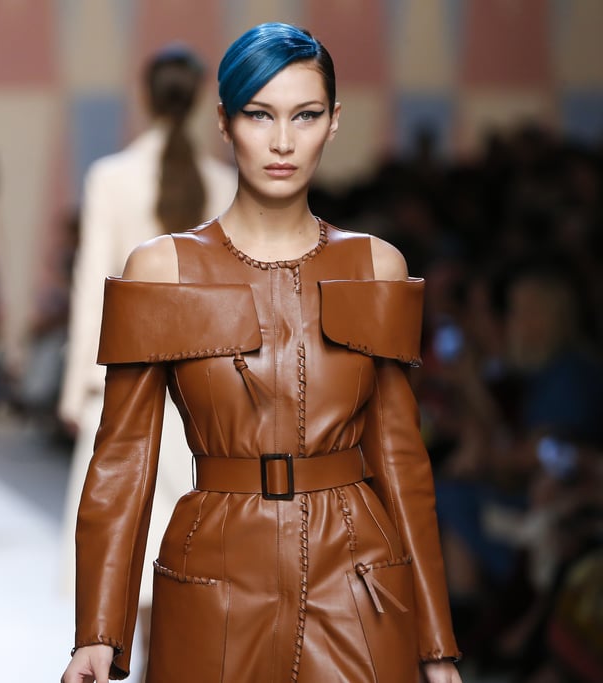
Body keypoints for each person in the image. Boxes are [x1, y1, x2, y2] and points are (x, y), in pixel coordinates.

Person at [62, 23, 462, 683]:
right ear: (223, 120)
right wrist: (98, 632)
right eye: (259, 114)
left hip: (358, 577)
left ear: (333, 122)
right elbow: (123, 459)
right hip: (217, 571)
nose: (282, 141)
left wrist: (437, 645)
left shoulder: (375, 266)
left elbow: (400, 461)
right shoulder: (162, 270)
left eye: (305, 115)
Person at [57, 45, 236, 679]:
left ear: (145, 97)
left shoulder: (111, 177)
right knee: (185, 562)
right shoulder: (223, 182)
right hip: (205, 397)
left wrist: (78, 385)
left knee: (125, 554)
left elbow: (95, 286)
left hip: (126, 391)